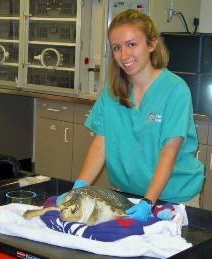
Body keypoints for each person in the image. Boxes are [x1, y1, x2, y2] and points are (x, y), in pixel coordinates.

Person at [57, 9, 204, 222]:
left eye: (131, 44)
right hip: (128, 196)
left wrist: (148, 202)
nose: (124, 55)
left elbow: (169, 151)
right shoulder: (112, 91)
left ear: (152, 44)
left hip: (173, 197)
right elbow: (101, 144)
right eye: (117, 48)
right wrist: (79, 188)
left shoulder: (175, 90)